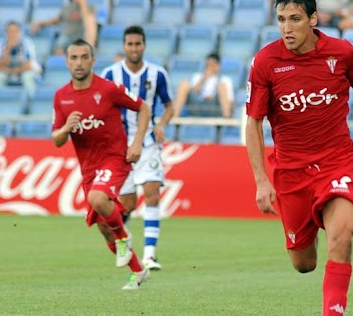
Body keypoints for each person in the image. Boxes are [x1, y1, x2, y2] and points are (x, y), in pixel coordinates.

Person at [245, 0, 353, 315]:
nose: (286, 28)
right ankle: (311, 225)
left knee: (342, 239)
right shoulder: (265, 62)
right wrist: (262, 179)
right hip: (292, 173)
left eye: (294, 19)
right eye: (281, 19)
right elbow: (253, 123)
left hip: (337, 163)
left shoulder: (342, 52)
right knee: (304, 264)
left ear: (313, 19)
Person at [51, 38, 151, 290]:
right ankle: (138, 271)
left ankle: (124, 238)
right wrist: (65, 128)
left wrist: (137, 142)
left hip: (115, 159)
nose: (79, 63)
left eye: (84, 57)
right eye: (74, 58)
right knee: (104, 227)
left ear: (93, 61)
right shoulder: (61, 97)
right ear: (67, 62)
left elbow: (144, 108)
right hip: (88, 168)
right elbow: (57, 140)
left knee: (98, 199)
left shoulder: (108, 89)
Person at [102, 25, 174, 271]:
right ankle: (123, 243)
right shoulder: (110, 74)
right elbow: (102, 108)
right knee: (128, 204)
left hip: (149, 145)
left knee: (152, 194)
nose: (134, 48)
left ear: (144, 46)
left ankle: (150, 256)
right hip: (120, 148)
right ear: (124, 46)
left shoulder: (157, 74)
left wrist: (162, 124)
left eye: (138, 44)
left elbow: (169, 105)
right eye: (130, 44)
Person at [31, 0, 97, 56]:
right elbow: (56, 20)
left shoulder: (90, 7)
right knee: (59, 46)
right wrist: (39, 23)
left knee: (88, 29)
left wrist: (82, 3)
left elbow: (88, 22)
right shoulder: (67, 7)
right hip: (67, 36)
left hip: (81, 36)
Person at [173, 52, 234, 118]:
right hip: (197, 105)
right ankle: (174, 117)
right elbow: (194, 92)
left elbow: (230, 101)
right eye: (207, 65)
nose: (209, 68)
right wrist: (204, 78)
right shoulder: (197, 76)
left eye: (212, 65)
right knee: (183, 84)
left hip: (215, 107)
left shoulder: (225, 80)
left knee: (222, 86)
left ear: (218, 66)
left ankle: (226, 120)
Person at [0, 21, 41, 97]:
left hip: (24, 70)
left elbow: (29, 65)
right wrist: (8, 48)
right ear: (6, 32)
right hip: (8, 71)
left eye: (15, 31)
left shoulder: (26, 43)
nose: (12, 34)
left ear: (19, 32)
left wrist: (15, 71)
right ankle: (0, 103)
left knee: (27, 77)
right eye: (10, 31)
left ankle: (31, 102)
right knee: (0, 76)